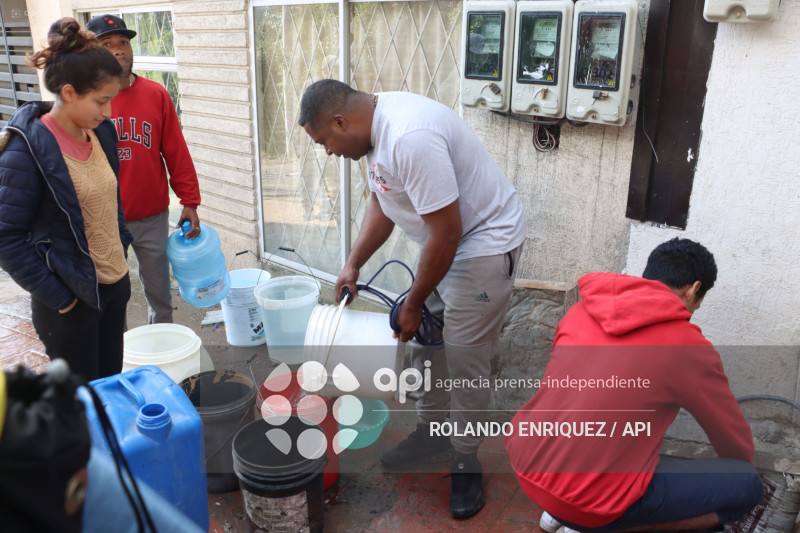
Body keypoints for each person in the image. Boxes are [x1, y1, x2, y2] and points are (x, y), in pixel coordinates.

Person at [298, 79, 526, 519]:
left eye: (324, 141)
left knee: (464, 359)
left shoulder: (408, 136)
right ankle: (431, 433)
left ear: (341, 122)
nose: (326, 151)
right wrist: (353, 264)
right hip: (445, 242)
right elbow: (382, 202)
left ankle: (465, 458)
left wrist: (414, 302)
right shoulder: (372, 134)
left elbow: (448, 231)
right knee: (426, 344)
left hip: (483, 243)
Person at [505, 238, 763, 533]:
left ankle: (558, 513)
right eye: (698, 302)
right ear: (693, 289)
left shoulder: (581, 310)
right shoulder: (688, 347)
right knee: (746, 485)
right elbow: (732, 441)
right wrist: (738, 466)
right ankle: (589, 525)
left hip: (527, 463)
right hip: (591, 502)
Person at [0, 18, 132, 382]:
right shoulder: (25, 150)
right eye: (101, 101)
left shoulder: (101, 133)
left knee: (109, 385)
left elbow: (110, 200)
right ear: (70, 92)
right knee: (80, 398)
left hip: (112, 286)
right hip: (70, 303)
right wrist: (62, 299)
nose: (107, 112)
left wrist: (121, 251)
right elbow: (6, 238)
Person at [86, 14, 201, 324]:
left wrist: (190, 202)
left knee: (160, 295)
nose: (119, 49)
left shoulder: (155, 94)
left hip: (151, 215)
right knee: (111, 297)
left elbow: (176, 152)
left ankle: (162, 346)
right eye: (107, 44)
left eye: (124, 42)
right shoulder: (88, 102)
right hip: (104, 218)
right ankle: (116, 351)